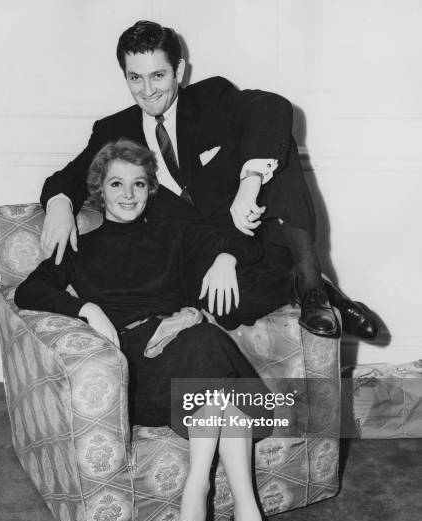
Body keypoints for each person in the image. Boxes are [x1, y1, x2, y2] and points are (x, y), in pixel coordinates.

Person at [16, 139, 275, 521]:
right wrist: (88, 310)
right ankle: (235, 513)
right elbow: (27, 291)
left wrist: (226, 259)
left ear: (151, 188)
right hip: (137, 373)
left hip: (189, 358)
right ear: (98, 188)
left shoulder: (173, 232)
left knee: (200, 342)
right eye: (117, 183)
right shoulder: (80, 246)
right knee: (206, 345)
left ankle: (217, 500)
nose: (129, 194)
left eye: (139, 183)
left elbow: (253, 247)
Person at [39, 20, 378, 340]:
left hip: (255, 235)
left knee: (278, 149)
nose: (147, 90)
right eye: (135, 78)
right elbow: (66, 177)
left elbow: (273, 107)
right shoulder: (113, 130)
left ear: (179, 71)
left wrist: (250, 181)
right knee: (228, 306)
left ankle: (310, 280)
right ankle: (304, 286)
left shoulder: (212, 98)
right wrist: (58, 204)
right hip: (199, 255)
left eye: (158, 75)